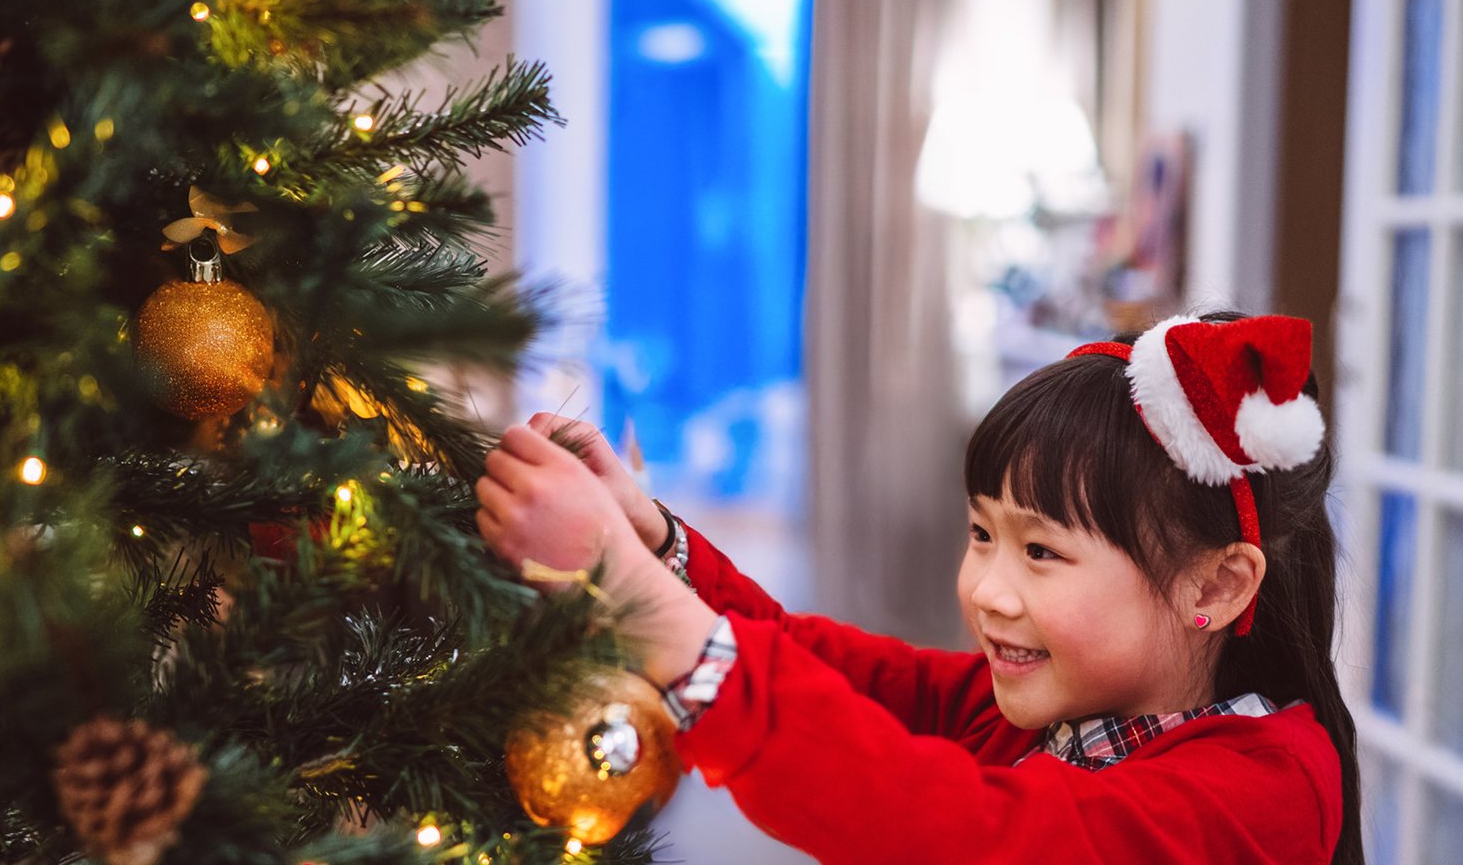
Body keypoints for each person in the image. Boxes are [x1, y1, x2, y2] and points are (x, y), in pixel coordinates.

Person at [475, 312, 1359, 864]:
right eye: (983, 535)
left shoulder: (1263, 799)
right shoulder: (1055, 709)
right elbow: (839, 675)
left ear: (1219, 583)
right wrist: (654, 542)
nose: (989, 592)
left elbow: (951, 831)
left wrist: (631, 596)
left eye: (1041, 552)